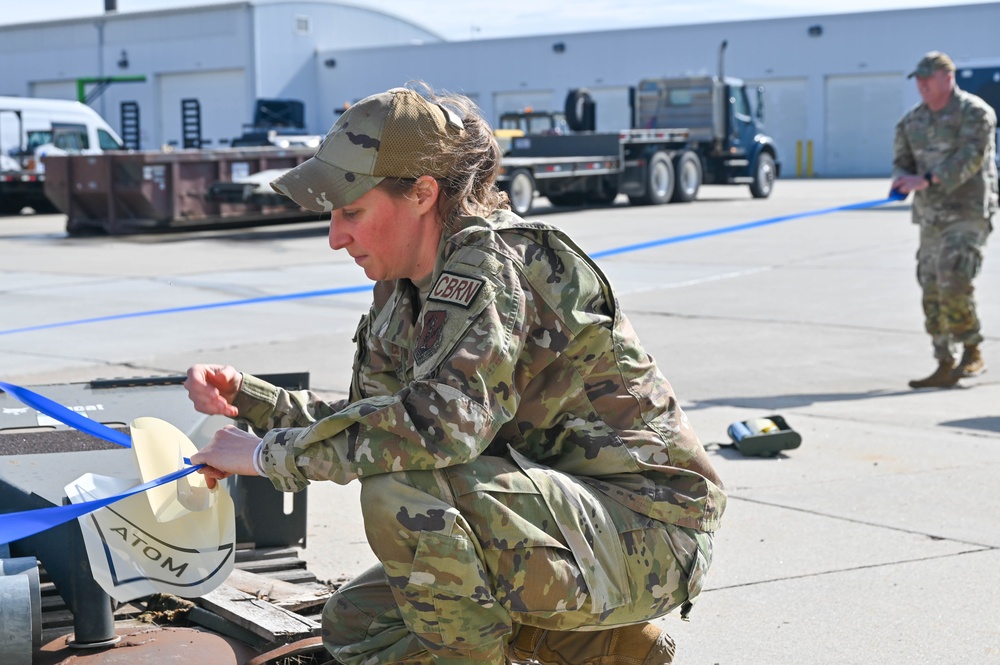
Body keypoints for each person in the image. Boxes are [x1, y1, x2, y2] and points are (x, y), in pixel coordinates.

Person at [185, 85, 725, 664]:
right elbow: (373, 419)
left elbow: (439, 430)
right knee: (358, 624)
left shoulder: (490, 265)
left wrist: (269, 456)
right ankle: (609, 648)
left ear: (421, 193)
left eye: (352, 212)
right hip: (567, 522)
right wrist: (254, 402)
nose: (336, 236)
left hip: (650, 531)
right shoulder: (404, 288)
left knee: (405, 492)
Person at [891, 51, 997, 389]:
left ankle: (971, 348)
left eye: (928, 77)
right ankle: (943, 361)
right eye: (918, 79)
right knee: (930, 285)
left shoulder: (975, 113)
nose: (921, 84)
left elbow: (971, 158)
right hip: (931, 216)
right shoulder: (912, 121)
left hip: (967, 213)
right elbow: (902, 160)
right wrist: (901, 181)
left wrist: (929, 179)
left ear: (947, 78)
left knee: (953, 276)